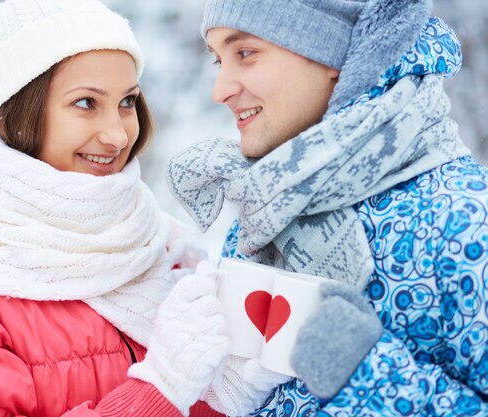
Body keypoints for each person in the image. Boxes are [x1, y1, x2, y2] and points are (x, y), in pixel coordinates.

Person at [0, 0, 232, 416]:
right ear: (22, 110)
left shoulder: (163, 247)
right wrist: (161, 388)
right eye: (85, 103)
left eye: (127, 102)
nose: (116, 135)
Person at [167, 0, 488, 415]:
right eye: (218, 60)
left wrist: (365, 377)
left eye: (244, 53)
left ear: (334, 53)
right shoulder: (269, 214)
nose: (220, 90)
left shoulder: (465, 221)